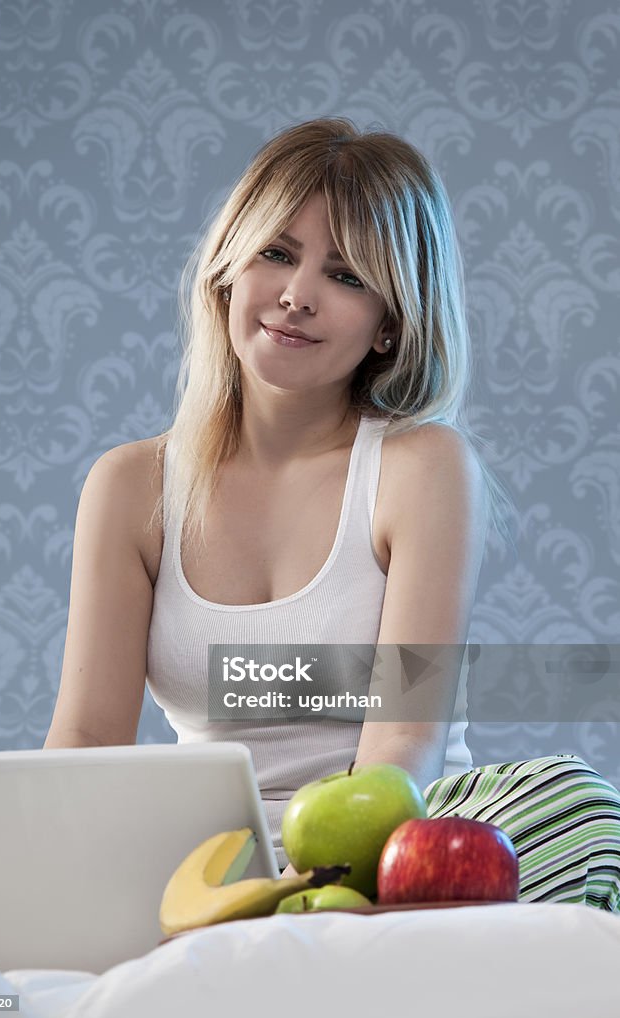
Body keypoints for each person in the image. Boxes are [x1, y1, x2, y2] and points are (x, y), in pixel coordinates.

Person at [45, 118, 620, 909]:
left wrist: (314, 890)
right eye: (276, 253)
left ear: (390, 323)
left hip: (398, 851)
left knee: (577, 803)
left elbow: (403, 744)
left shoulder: (421, 466)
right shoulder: (131, 485)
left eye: (346, 276)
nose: (295, 295)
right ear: (226, 269)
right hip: (214, 859)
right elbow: (86, 742)